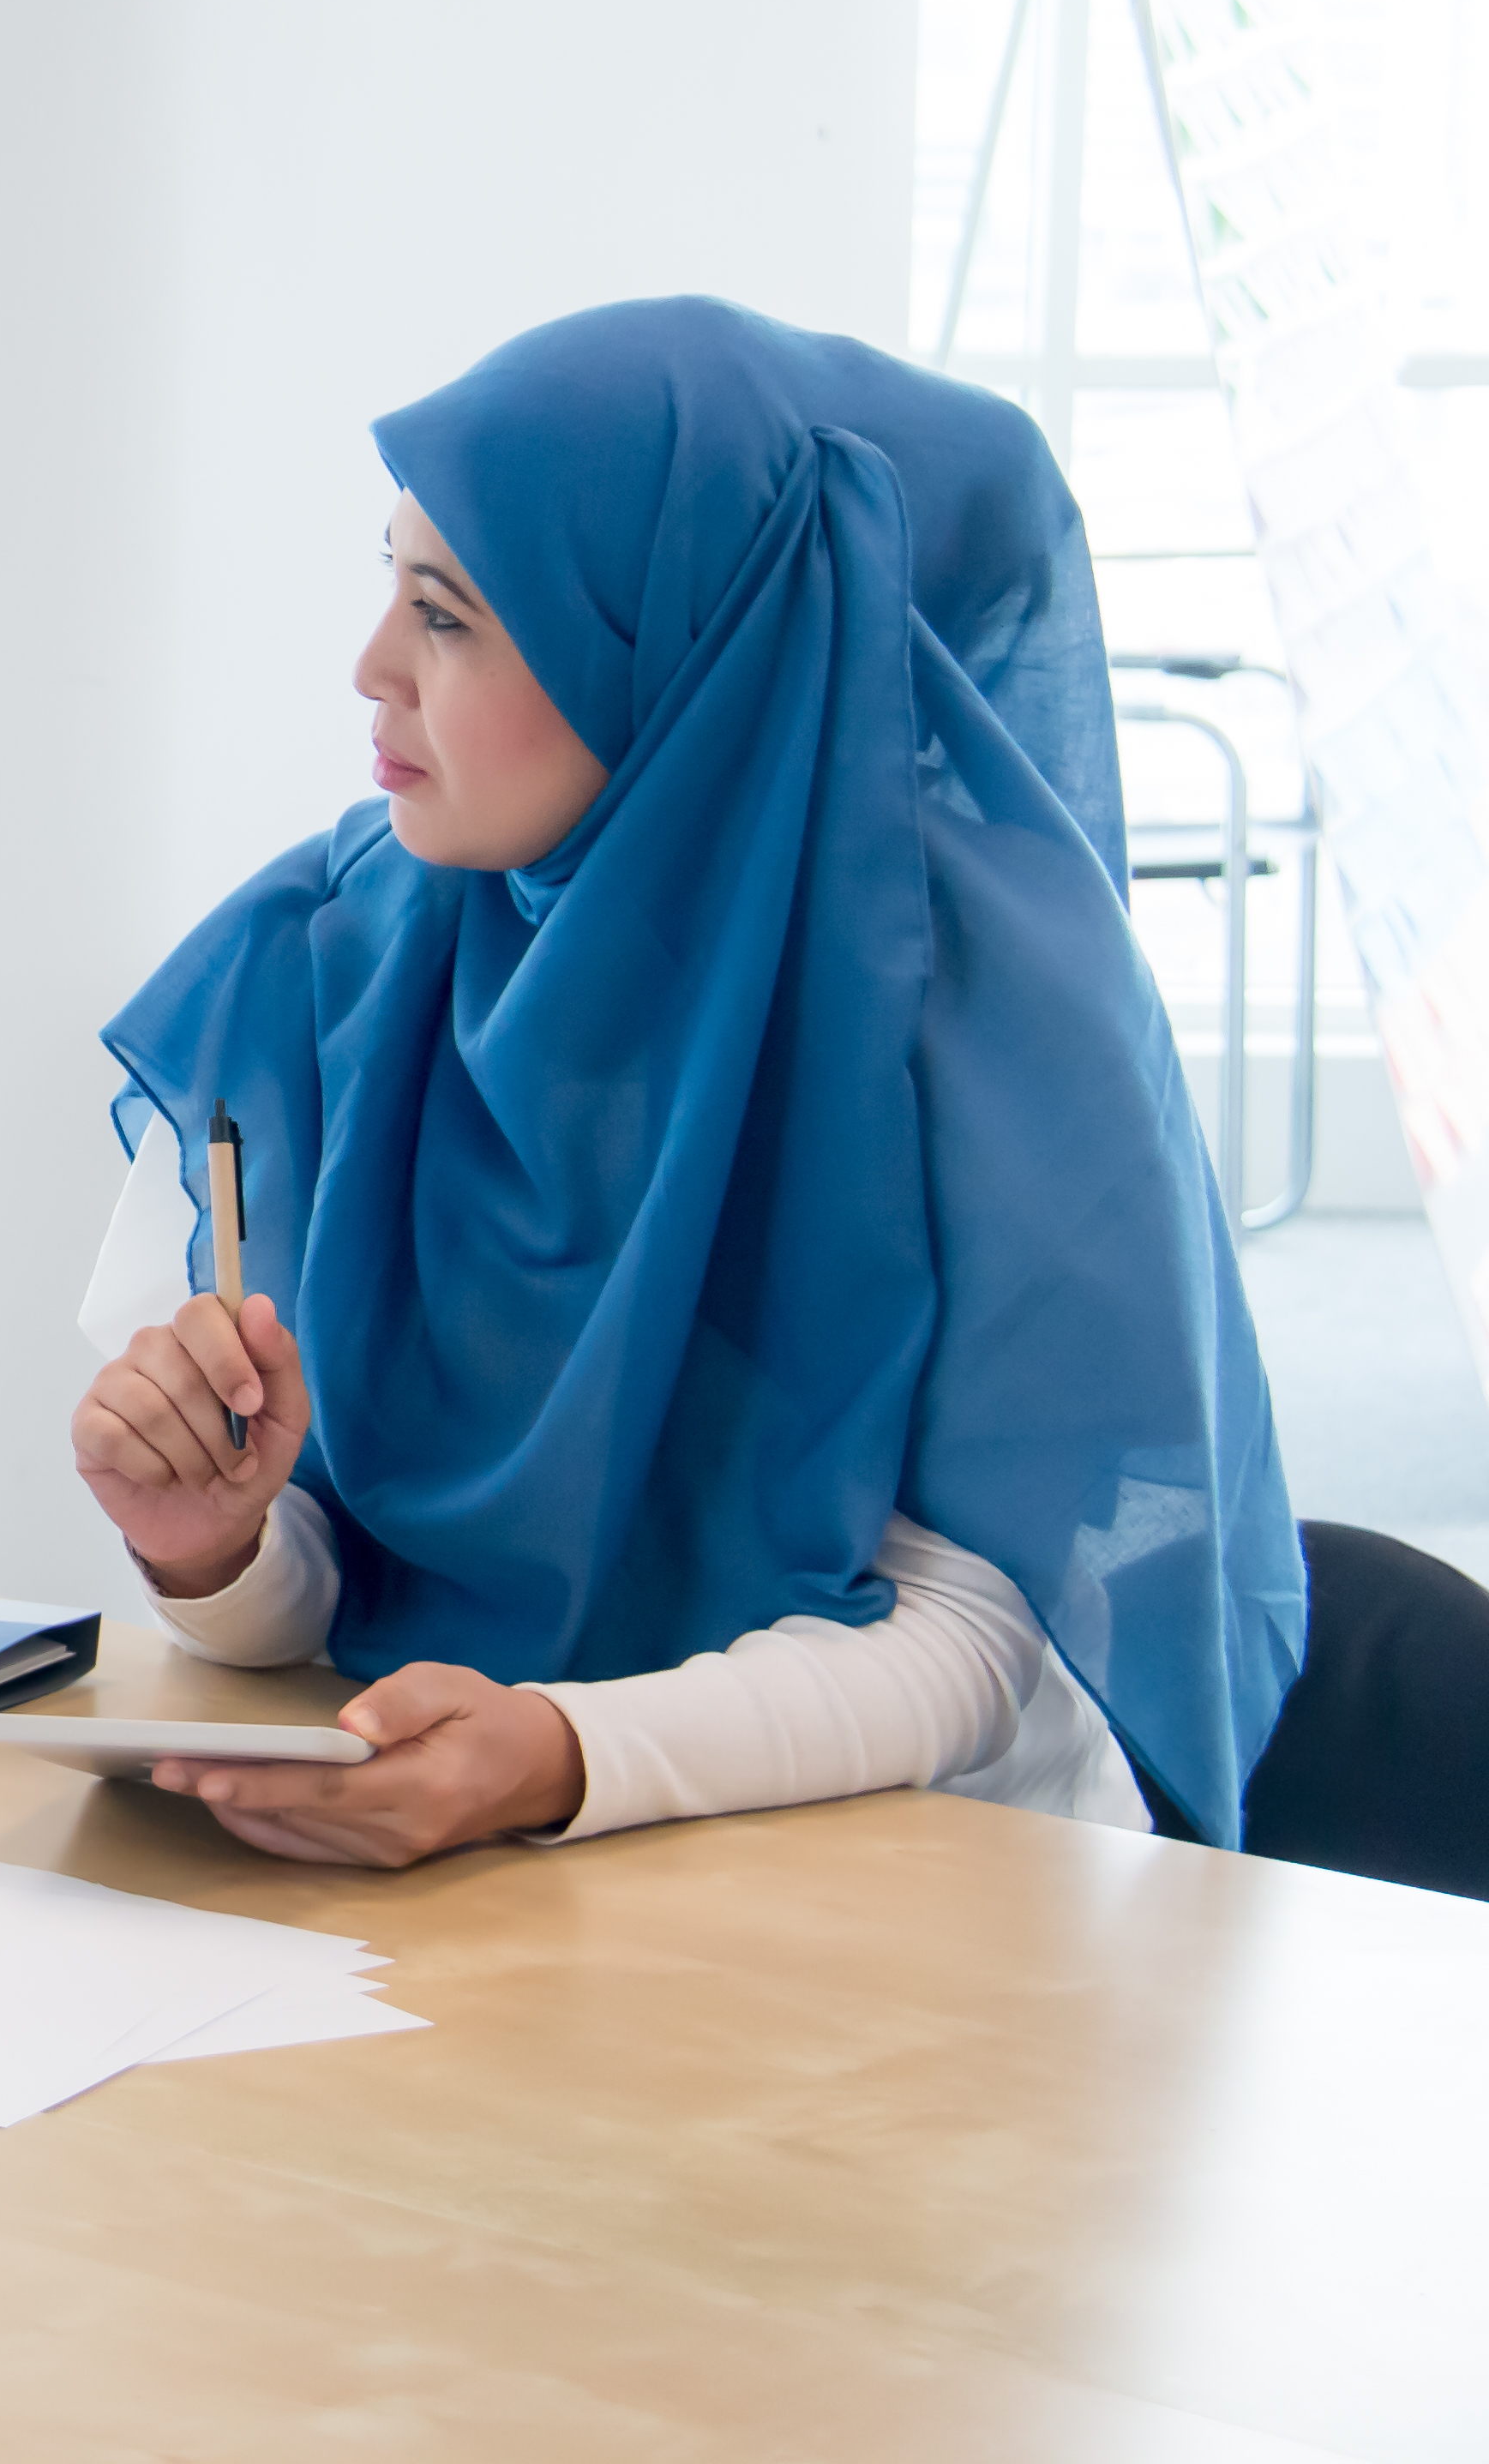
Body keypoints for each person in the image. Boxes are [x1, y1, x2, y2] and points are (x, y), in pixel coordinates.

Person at [68, 296, 1321, 1869]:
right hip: (473, 1886)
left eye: (448, 615)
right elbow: (352, 1588)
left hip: (894, 1915)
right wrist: (218, 1550)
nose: (371, 667)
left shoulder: (975, 1016)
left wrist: (561, 1753)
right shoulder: (338, 954)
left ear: (680, 657)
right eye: (389, 589)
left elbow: (979, 1642)